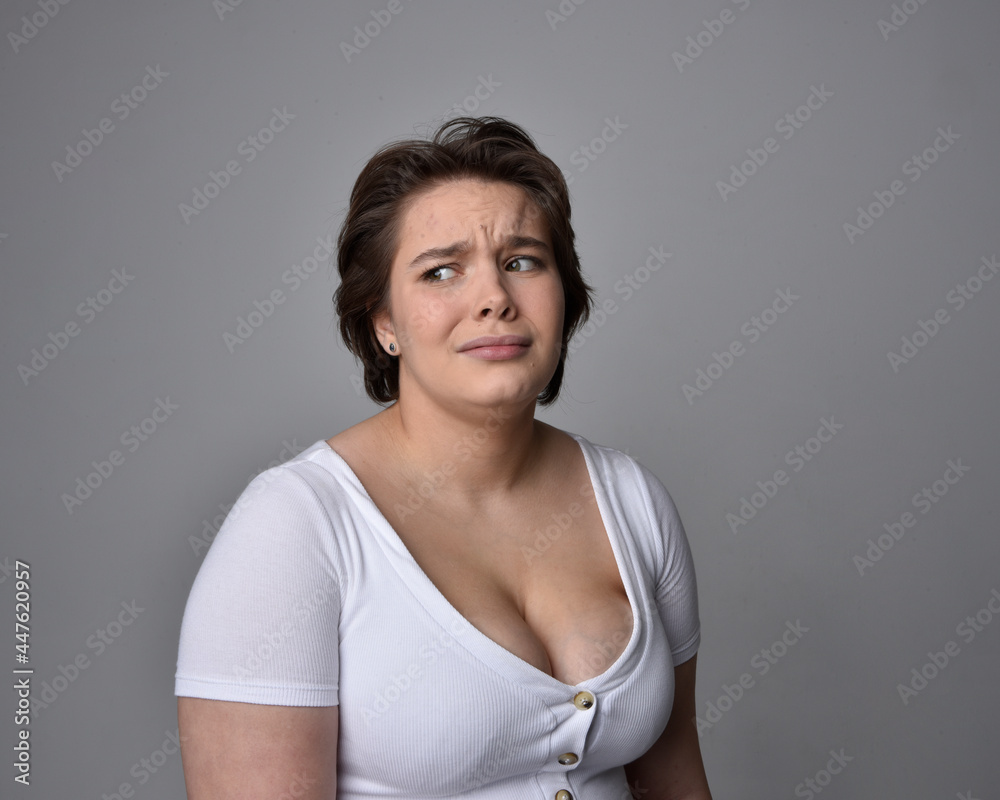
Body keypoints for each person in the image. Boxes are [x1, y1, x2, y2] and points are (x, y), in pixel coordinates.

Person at [174, 116, 713, 800]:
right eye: (441, 271)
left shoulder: (634, 501)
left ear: (565, 293)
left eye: (522, 261)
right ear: (384, 322)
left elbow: (674, 780)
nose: (493, 298)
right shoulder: (293, 530)